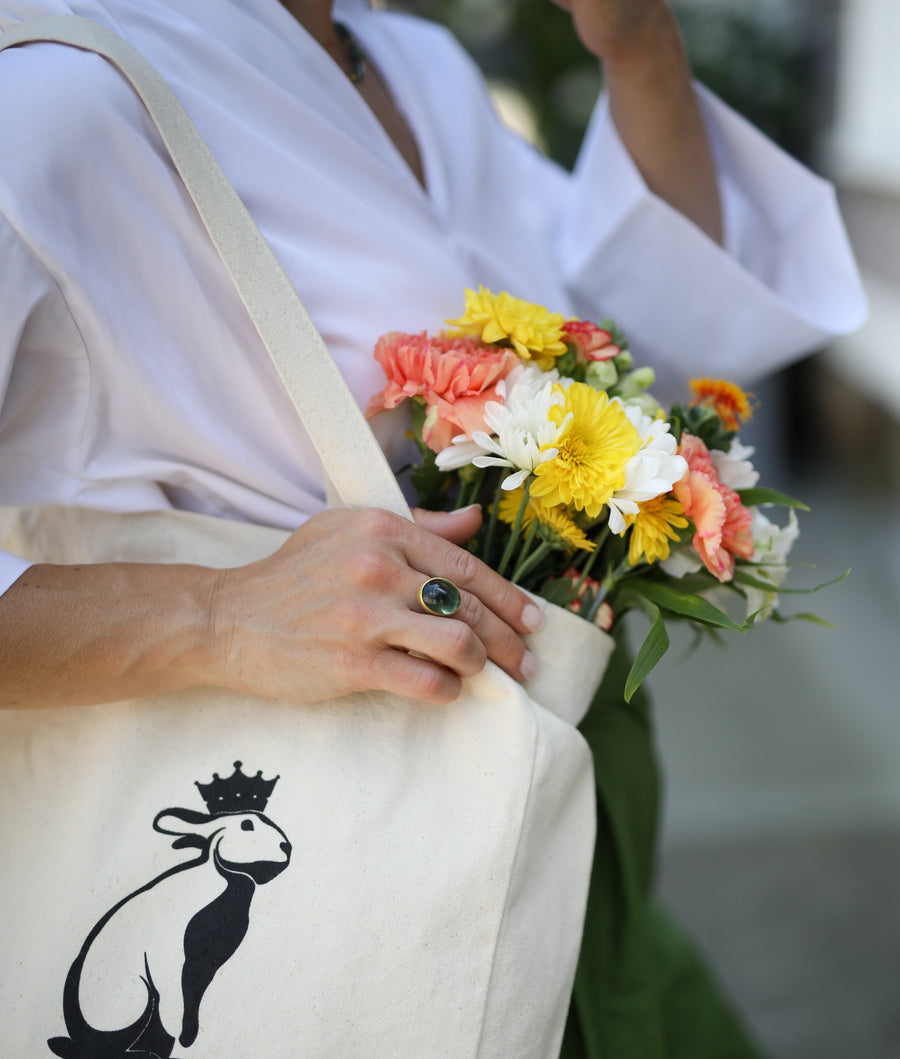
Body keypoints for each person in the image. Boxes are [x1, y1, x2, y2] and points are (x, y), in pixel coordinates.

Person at [0, 0, 866, 1055]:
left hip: (557, 801)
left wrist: (638, 47)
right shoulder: (51, 96)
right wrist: (220, 615)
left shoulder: (409, 58)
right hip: (326, 829)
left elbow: (648, 351)